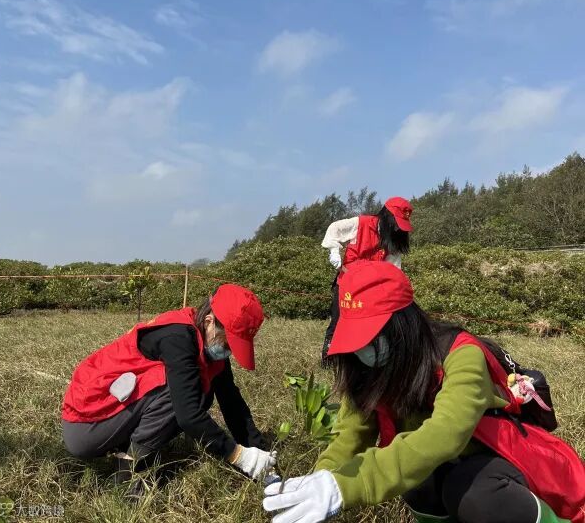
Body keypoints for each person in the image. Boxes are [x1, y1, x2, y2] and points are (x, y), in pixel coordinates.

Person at [263, 262, 585, 523]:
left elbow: (445, 434)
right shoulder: (366, 368)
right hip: (444, 466)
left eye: (372, 338)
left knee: (470, 490)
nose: (363, 351)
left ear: (403, 326)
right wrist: (318, 483)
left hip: (500, 461)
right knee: (417, 480)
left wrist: (346, 486)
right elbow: (349, 438)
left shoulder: (461, 354)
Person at [62, 284, 276, 498]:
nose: (228, 352)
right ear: (209, 321)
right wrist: (238, 456)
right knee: (186, 392)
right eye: (228, 344)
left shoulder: (207, 343)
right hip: (87, 423)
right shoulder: (178, 338)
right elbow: (188, 416)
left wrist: (262, 459)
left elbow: (231, 403)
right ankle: (128, 475)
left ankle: (128, 445)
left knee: (199, 388)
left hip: (118, 406)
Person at [320, 196, 413, 362]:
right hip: (348, 283)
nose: (397, 228)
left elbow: (393, 269)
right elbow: (335, 228)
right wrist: (334, 251)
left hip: (370, 289)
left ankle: (357, 360)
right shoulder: (361, 223)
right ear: (387, 216)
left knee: (366, 326)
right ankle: (328, 359)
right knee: (339, 322)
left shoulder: (393, 239)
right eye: (396, 223)